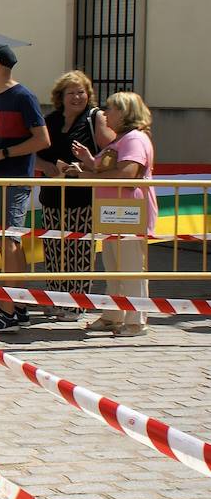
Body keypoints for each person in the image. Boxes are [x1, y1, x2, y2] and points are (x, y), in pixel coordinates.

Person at [0, 43, 50, 332]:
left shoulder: (23, 96)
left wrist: (1, 154)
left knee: (8, 240)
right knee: (3, 241)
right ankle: (18, 306)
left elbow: (42, 140)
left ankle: (9, 311)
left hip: (15, 179)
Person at [66, 92, 156, 337]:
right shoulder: (123, 139)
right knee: (114, 265)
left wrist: (87, 175)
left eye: (111, 109)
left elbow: (127, 174)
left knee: (130, 266)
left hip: (128, 212)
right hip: (114, 212)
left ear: (125, 113)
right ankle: (113, 315)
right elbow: (109, 167)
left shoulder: (134, 139)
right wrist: (87, 161)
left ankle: (136, 320)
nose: (105, 114)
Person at [34, 70, 114, 321]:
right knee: (54, 251)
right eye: (72, 93)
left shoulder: (95, 118)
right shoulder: (51, 120)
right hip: (52, 196)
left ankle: (77, 304)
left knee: (79, 252)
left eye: (81, 92)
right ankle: (56, 300)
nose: (77, 97)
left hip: (83, 198)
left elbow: (111, 152)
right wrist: (45, 166)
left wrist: (88, 165)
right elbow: (34, 151)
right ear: (61, 96)